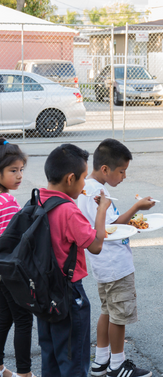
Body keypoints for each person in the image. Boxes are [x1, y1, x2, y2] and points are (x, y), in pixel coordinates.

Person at [78, 139, 155, 377]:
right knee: (119, 316)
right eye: (121, 171)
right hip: (114, 264)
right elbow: (109, 227)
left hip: (104, 265)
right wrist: (137, 208)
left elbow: (107, 224)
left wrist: (130, 222)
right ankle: (117, 365)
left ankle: (101, 361)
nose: (123, 177)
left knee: (107, 311)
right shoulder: (96, 191)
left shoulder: (89, 187)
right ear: (105, 169)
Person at [37, 144, 111, 377]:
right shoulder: (69, 211)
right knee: (73, 359)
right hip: (68, 294)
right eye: (83, 178)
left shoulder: (37, 199)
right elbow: (96, 246)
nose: (84, 184)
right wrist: (101, 211)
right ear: (70, 178)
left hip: (43, 291)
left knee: (50, 356)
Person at [0, 139, 35, 377]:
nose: (19, 175)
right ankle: (25, 373)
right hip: (10, 272)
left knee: (4, 318)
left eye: (21, 170)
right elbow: (15, 241)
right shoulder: (9, 203)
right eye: (13, 171)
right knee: (23, 319)